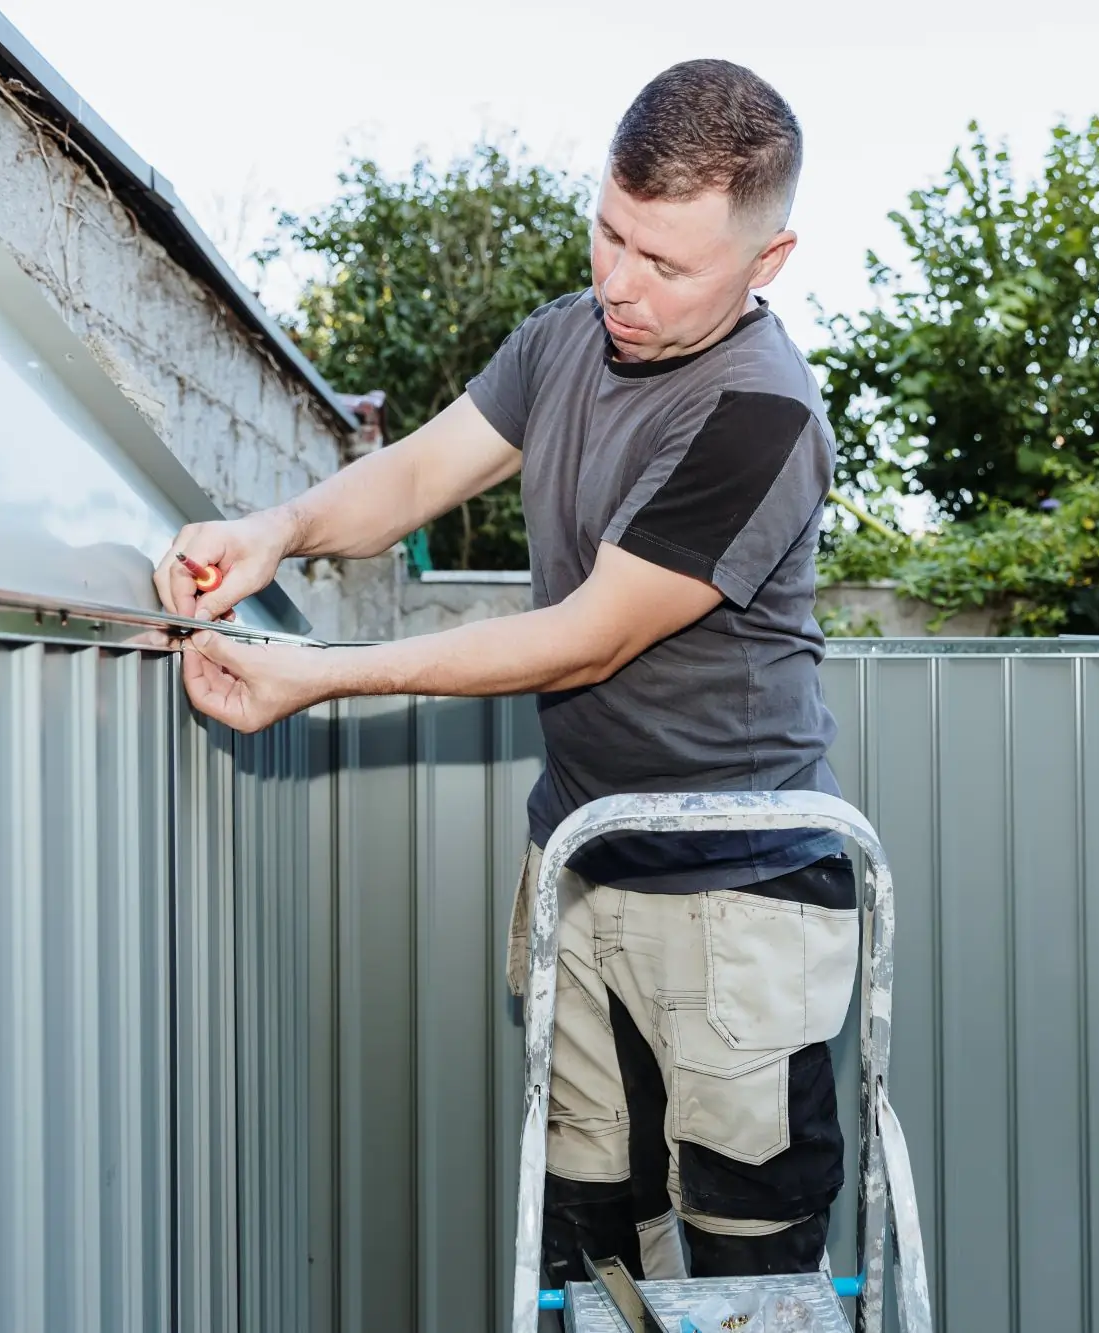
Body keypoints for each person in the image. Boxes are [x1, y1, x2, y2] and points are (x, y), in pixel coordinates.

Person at [153, 58, 857, 1291]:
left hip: (737, 905)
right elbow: (413, 479)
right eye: (608, 235)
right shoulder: (563, 339)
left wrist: (314, 677)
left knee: (748, 1272)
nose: (620, 287)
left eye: (666, 264)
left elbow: (584, 634)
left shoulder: (762, 415)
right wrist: (273, 528)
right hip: (579, 858)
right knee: (588, 1239)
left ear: (768, 259)